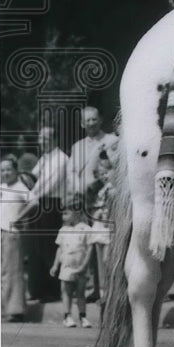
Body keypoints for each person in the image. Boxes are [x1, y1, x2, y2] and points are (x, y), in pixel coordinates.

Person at [13, 124, 68, 303]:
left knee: (49, 246)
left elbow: (49, 185)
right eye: (41, 138)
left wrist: (31, 194)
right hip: (38, 203)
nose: (42, 142)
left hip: (51, 205)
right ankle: (37, 290)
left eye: (46, 139)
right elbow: (31, 178)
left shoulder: (61, 159)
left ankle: (52, 291)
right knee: (35, 248)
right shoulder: (44, 158)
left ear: (55, 140)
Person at [50, 198, 93, 328]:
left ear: (77, 213)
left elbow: (90, 248)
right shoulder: (63, 230)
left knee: (80, 292)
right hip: (66, 266)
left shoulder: (86, 229)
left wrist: (84, 266)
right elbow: (60, 249)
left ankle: (83, 316)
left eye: (66, 213)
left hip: (80, 266)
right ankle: (67, 316)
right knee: (67, 292)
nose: (63, 216)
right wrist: (55, 265)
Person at [65, 106, 119, 199]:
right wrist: (79, 188)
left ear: (100, 120)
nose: (91, 123)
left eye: (94, 119)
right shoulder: (77, 147)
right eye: (88, 120)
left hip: (105, 196)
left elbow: (116, 169)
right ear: (82, 124)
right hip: (83, 197)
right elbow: (71, 171)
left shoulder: (112, 141)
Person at [0, 155, 29, 323]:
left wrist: (19, 218)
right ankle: (4, 308)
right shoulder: (2, 187)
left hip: (11, 232)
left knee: (13, 271)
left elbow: (34, 203)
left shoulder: (20, 187)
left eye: (8, 169)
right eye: (2, 170)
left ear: (16, 170)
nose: (5, 173)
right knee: (2, 271)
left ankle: (15, 310)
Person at [84, 149, 116, 303]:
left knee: (107, 259)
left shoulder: (113, 190)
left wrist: (104, 214)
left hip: (108, 227)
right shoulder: (99, 189)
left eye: (107, 172)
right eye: (101, 173)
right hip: (99, 227)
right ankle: (104, 293)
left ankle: (111, 291)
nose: (104, 176)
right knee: (99, 262)